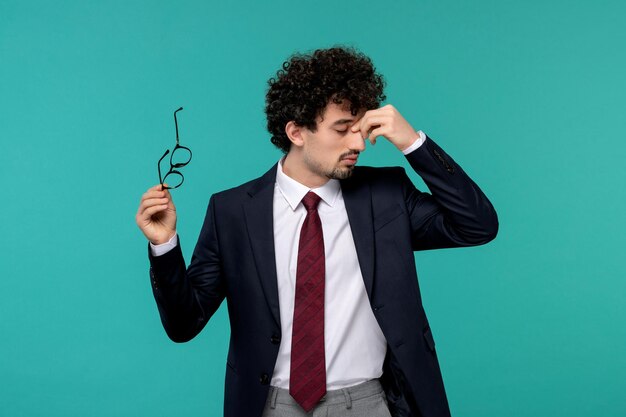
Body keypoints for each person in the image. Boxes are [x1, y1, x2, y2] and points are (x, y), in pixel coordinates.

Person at [136, 46, 498, 417]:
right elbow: (184, 324)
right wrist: (164, 246)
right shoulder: (232, 211)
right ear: (296, 131)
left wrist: (413, 143)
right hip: (271, 406)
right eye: (342, 130)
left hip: (371, 403)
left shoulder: (387, 197)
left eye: (360, 130)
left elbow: (477, 225)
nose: (358, 144)